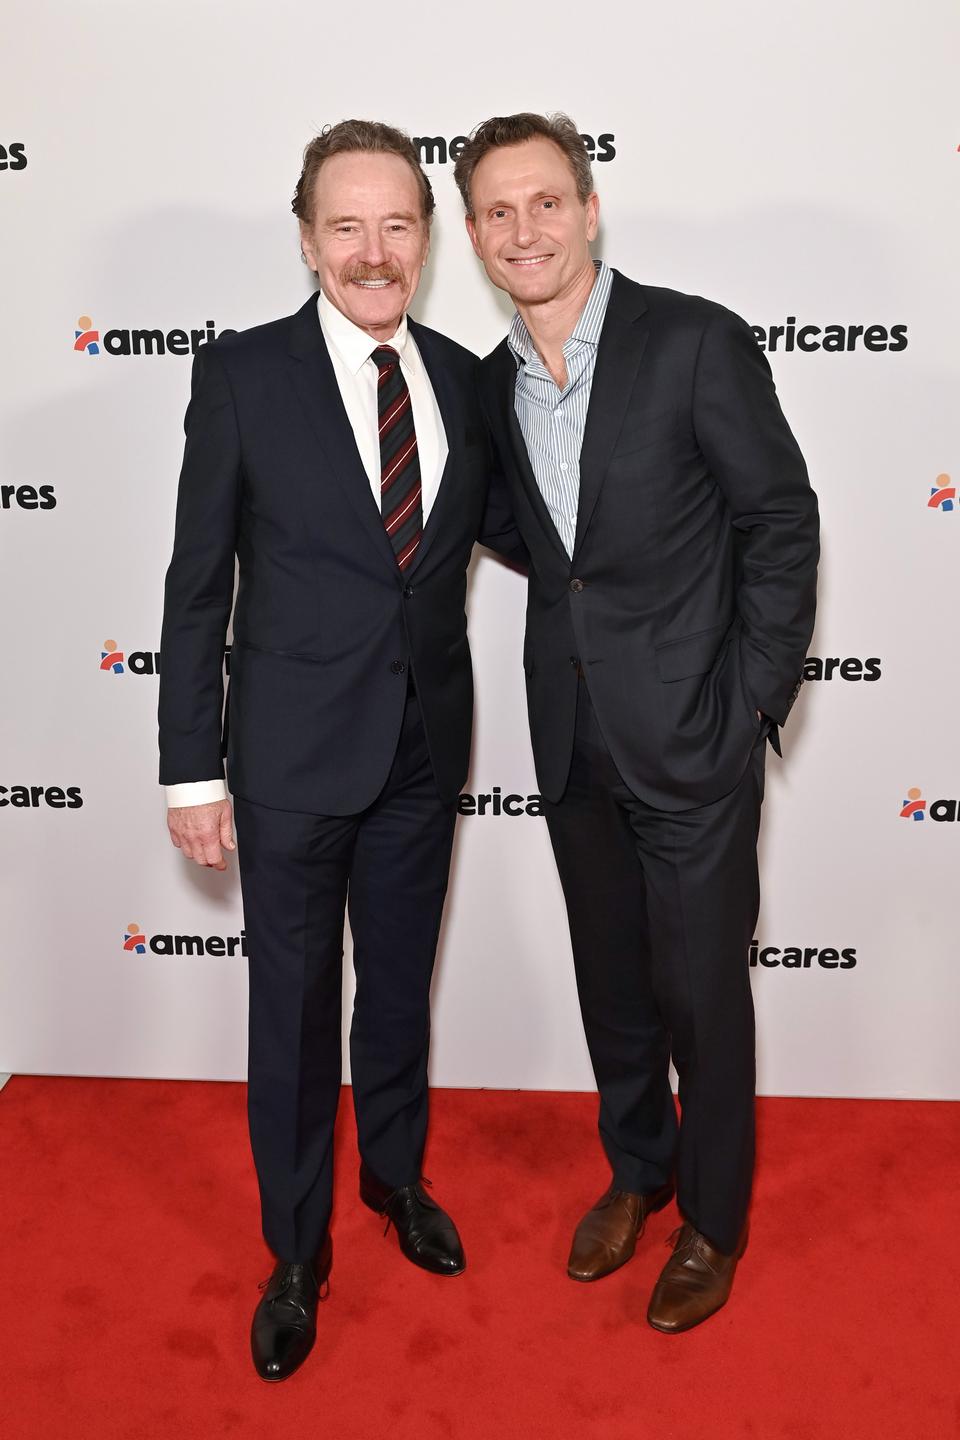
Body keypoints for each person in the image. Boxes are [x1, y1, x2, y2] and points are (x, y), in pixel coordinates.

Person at [158, 120, 519, 1382]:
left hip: (424, 747)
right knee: (296, 1016)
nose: (375, 252)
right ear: (308, 241)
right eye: (347, 227)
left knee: (399, 993)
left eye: (399, 225)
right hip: (291, 760)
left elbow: (530, 533)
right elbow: (198, 585)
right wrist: (190, 768)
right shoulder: (244, 375)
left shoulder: (470, 378)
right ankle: (297, 1251)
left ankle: (396, 1182)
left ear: (428, 241)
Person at [455, 113, 819, 1333]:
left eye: (545, 202)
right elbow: (538, 547)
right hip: (571, 736)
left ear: (589, 209)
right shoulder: (491, 385)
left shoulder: (695, 344)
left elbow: (780, 521)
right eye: (498, 212)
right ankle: (640, 1173)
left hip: (694, 736)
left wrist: (756, 696)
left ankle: (716, 1219)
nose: (525, 230)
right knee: (613, 984)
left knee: (703, 992)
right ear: (472, 235)